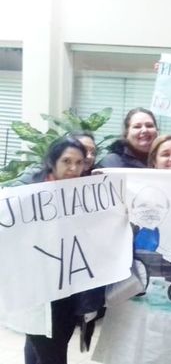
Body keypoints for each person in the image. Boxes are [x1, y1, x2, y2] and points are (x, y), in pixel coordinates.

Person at [22, 137, 101, 364]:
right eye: (66, 161)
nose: (73, 168)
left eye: (79, 162)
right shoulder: (28, 192)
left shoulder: (86, 195)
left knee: (47, 349)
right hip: (36, 293)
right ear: (52, 162)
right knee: (52, 354)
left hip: (67, 292)